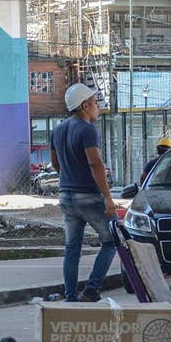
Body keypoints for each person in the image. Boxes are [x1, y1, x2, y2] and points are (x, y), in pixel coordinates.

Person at [53, 82, 121, 302]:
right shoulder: (87, 130)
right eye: (94, 102)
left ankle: (71, 297)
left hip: (66, 195)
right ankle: (92, 290)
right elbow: (95, 163)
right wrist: (108, 197)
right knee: (111, 241)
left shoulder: (58, 130)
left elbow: (56, 164)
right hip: (88, 196)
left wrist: (71, 176)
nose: (97, 106)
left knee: (72, 249)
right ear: (84, 106)